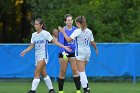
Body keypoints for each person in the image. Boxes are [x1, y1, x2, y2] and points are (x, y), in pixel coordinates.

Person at [20, 18, 71, 93]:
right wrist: (25, 51)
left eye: (37, 24)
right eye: (35, 24)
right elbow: (32, 46)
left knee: (36, 72)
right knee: (43, 73)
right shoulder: (34, 35)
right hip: (37, 57)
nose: (35, 25)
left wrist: (64, 46)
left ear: (41, 25)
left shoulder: (45, 33)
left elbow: (54, 41)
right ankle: (51, 90)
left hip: (43, 56)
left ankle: (33, 90)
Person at [58, 16, 98, 93]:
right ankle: (87, 87)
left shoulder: (77, 31)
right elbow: (92, 42)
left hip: (80, 53)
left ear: (78, 23)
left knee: (81, 72)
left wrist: (63, 32)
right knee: (82, 71)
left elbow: (68, 40)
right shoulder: (89, 31)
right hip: (88, 53)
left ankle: (85, 89)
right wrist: (96, 49)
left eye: (74, 21)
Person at [58, 14, 81, 93]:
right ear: (65, 21)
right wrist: (64, 53)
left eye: (71, 20)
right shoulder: (62, 31)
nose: (70, 22)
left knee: (75, 70)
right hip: (63, 53)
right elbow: (61, 43)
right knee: (62, 72)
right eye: (68, 20)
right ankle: (61, 91)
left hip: (73, 53)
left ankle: (78, 90)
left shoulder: (76, 29)